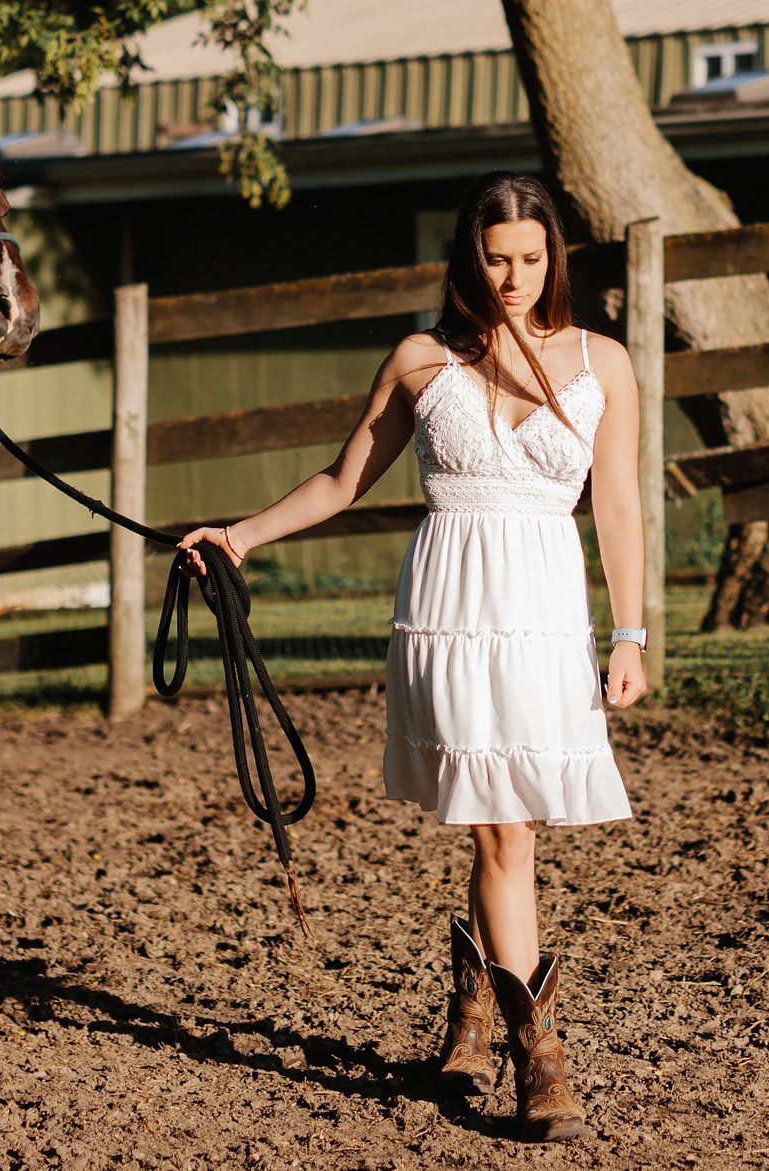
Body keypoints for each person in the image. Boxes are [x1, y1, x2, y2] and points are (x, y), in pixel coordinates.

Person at [179, 172, 647, 1142]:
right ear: (465, 257)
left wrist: (631, 630)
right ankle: (540, 1057)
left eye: (530, 258)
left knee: (517, 826)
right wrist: (240, 534)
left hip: (547, 611)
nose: (514, 277)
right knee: (501, 831)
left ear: (553, 256)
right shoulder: (423, 361)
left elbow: (619, 504)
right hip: (450, 608)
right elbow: (342, 480)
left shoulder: (603, 360)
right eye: (495, 257)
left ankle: (476, 996)